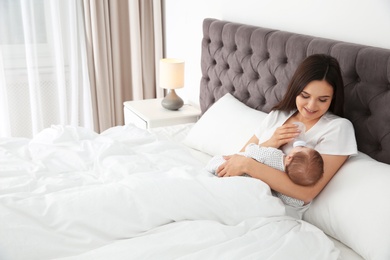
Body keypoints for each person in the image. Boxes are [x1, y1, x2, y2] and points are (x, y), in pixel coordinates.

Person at [215, 54, 358, 219]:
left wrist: (249, 166)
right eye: (305, 96)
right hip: (237, 189)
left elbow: (306, 192)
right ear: (295, 89)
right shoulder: (278, 115)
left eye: (323, 99)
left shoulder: (338, 128)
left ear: (333, 99)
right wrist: (271, 142)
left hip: (271, 210)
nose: (311, 106)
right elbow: (237, 158)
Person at [206, 142, 324, 208]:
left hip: (237, 174)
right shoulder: (289, 189)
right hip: (250, 190)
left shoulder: (274, 155)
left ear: (289, 157)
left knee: (218, 162)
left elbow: (250, 150)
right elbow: (297, 202)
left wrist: (253, 146)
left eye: (303, 148)